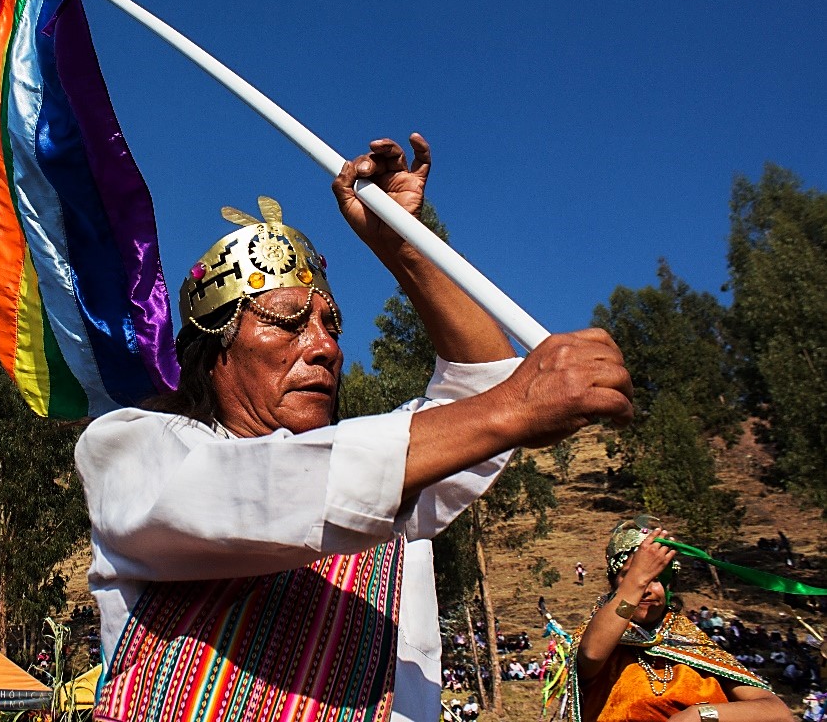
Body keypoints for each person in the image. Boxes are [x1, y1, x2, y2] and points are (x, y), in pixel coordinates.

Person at [76, 134, 635, 722]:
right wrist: (516, 406)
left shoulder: (388, 485)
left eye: (331, 325)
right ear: (215, 351)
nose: (325, 348)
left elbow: (483, 384)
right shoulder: (133, 451)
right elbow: (263, 488)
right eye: (288, 321)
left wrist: (404, 245)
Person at [570, 515, 791, 720]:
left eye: (656, 578)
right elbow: (591, 653)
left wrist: (699, 715)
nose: (645, 588)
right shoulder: (598, 641)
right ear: (614, 585)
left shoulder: (692, 643)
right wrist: (637, 578)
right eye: (629, 576)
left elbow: (778, 712)